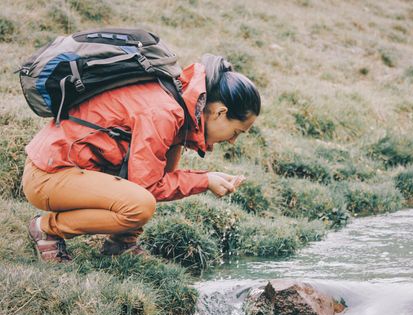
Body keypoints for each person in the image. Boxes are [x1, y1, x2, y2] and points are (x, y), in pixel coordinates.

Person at [22, 54, 261, 263]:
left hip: (71, 171)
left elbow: (153, 175)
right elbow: (147, 187)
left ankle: (121, 242)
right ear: (221, 113)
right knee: (139, 206)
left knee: (168, 153)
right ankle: (46, 229)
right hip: (48, 175)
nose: (232, 141)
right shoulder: (164, 113)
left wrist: (205, 178)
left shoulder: (176, 106)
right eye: (236, 132)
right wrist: (204, 180)